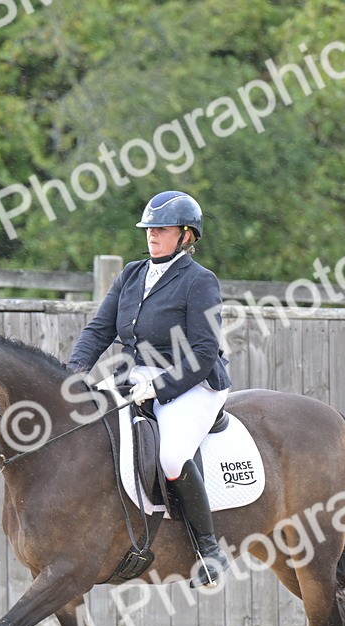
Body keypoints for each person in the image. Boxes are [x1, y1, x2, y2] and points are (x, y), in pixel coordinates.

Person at [67, 190, 231, 586]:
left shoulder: (199, 281)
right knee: (83, 426)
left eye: (161, 229)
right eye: (149, 229)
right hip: (135, 376)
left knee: (172, 458)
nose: (152, 235)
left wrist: (159, 389)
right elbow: (99, 329)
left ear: (186, 235)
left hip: (191, 382)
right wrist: (72, 373)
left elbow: (204, 352)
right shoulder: (131, 274)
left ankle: (208, 551)